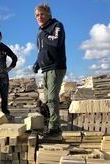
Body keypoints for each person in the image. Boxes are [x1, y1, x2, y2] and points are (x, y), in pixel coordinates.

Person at [33, 4, 66, 135]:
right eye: (37, 15)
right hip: (45, 69)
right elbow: (42, 51)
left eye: (42, 14)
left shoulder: (56, 25)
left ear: (49, 14)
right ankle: (50, 122)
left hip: (56, 67)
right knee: (47, 98)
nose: (39, 17)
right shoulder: (40, 32)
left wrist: (44, 33)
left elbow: (56, 42)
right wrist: (37, 63)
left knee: (52, 98)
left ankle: (55, 127)